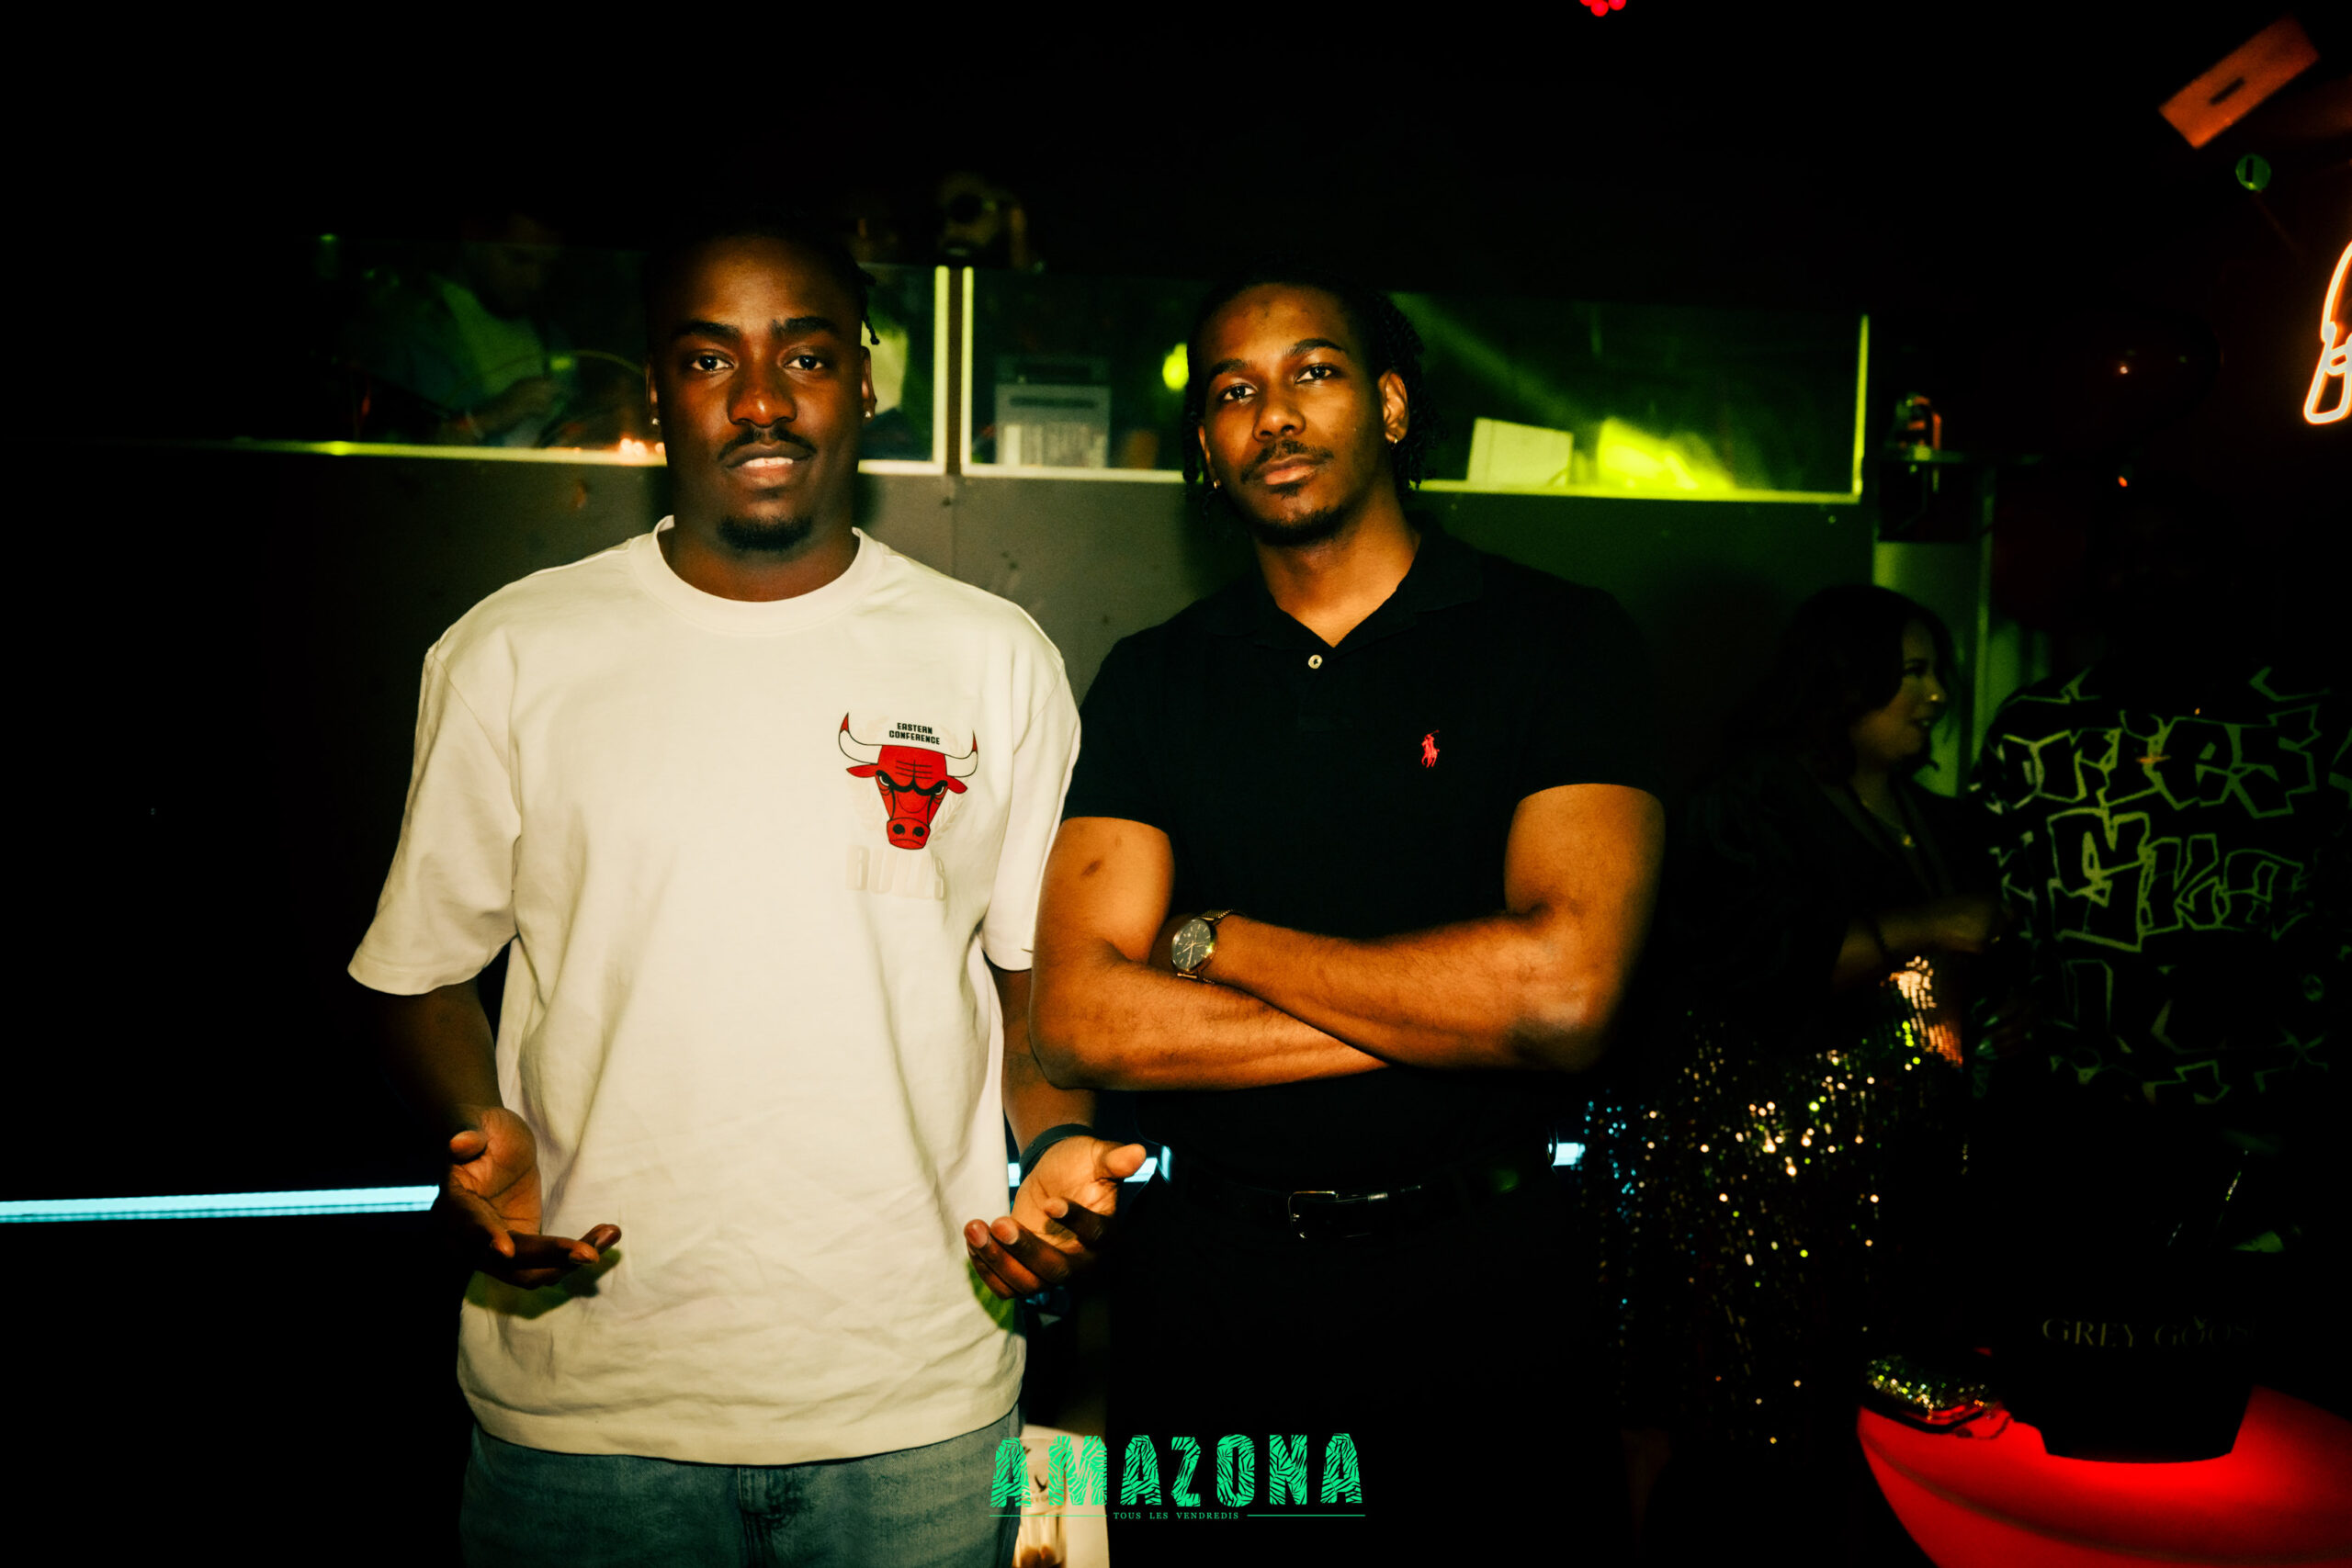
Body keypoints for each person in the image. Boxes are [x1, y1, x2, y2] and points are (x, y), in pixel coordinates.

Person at [351, 210, 1142, 1567]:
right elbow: (419, 973)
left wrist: (1057, 1150)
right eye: (712, 359)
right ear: (657, 391)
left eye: (807, 356)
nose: (763, 399)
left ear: (866, 382)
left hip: (917, 1409)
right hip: (586, 1412)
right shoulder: (512, 652)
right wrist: (485, 1134)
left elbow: (1030, 983)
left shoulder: (992, 657)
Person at [1001, 263, 1666, 1564]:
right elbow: (1077, 1017)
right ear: (1206, 446)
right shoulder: (1155, 678)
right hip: (1209, 1300)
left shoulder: (1561, 642)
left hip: (1493, 1290)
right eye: (1233, 391)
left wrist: (1217, 942)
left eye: (1314, 371)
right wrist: (1451, 1014)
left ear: (1394, 404)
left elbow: (1563, 996)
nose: (1274, 415)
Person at [1592, 584, 1998, 1561]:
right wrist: (1925, 926)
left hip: (1892, 1187)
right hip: (1759, 1185)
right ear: (1841, 681)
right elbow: (1751, 961)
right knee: (1755, 1434)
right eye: (1910, 672)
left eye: (1937, 671)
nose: (1936, 695)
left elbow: (1942, 991)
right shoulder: (1747, 803)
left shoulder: (1937, 819)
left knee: (1883, 1435)